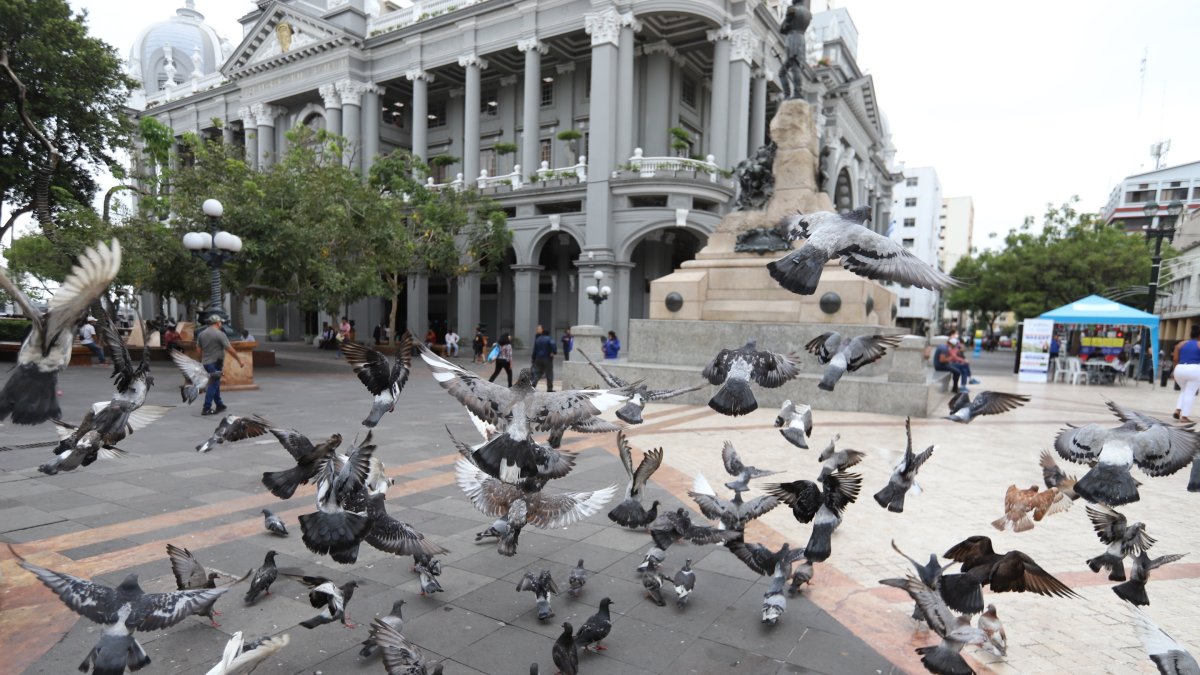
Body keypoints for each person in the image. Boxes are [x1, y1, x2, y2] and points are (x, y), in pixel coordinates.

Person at [198, 315, 244, 416]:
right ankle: (206, 408)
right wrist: (239, 359)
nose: (221, 324)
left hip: (206, 363)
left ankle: (219, 404)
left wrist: (200, 362)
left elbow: (199, 350)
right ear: (217, 323)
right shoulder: (219, 334)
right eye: (220, 322)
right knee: (213, 385)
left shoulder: (201, 334)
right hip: (215, 363)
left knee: (215, 384)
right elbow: (229, 348)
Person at [1172, 325, 1200, 422]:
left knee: (1184, 390)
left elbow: (1175, 359)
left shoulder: (1180, 344)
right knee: (1190, 393)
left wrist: (1174, 372)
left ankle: (1178, 410)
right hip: (1195, 369)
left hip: (1179, 368)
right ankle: (1184, 417)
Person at [530, 324, 558, 392]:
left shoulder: (538, 339)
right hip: (547, 359)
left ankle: (532, 386)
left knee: (538, 373)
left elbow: (535, 350)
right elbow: (553, 345)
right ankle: (549, 388)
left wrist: (533, 358)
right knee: (549, 374)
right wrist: (554, 352)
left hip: (538, 359)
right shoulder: (549, 339)